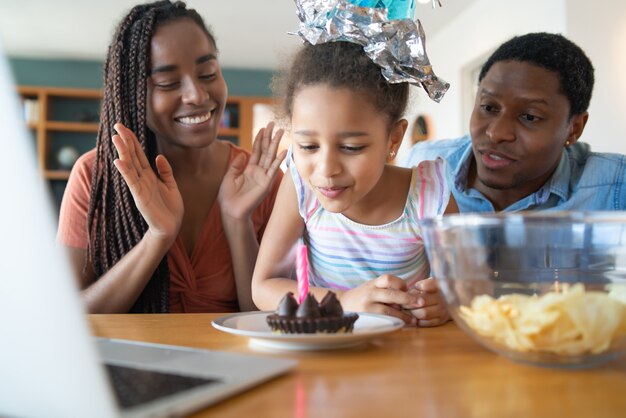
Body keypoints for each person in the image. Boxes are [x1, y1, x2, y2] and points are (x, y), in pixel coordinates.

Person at [57, 1, 286, 314]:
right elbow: (69, 315)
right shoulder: (95, 176)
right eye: (168, 83)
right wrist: (158, 238)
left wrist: (237, 221)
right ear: (132, 92)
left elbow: (271, 321)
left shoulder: (262, 180)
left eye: (208, 73)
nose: (197, 95)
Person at [251, 41, 457, 327]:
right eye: (308, 146)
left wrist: (447, 300)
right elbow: (263, 287)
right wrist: (344, 303)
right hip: (324, 353)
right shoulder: (299, 185)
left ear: (393, 140)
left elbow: (470, 286)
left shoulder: (430, 193)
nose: (326, 169)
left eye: (351, 147)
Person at [401, 32, 626, 212]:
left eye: (529, 117)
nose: (497, 133)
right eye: (489, 107)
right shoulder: (422, 166)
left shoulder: (615, 188)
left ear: (574, 128)